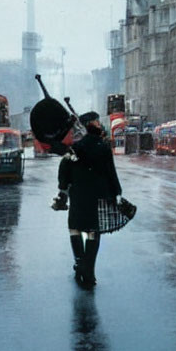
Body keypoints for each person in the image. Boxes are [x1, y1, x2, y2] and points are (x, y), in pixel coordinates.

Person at [53, 111, 123, 288]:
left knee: (75, 229)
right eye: (97, 122)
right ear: (91, 125)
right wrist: (117, 193)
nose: (100, 124)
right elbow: (110, 173)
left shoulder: (75, 148)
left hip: (77, 196)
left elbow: (64, 170)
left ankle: (79, 263)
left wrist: (63, 190)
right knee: (93, 232)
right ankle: (89, 271)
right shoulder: (103, 146)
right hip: (97, 196)